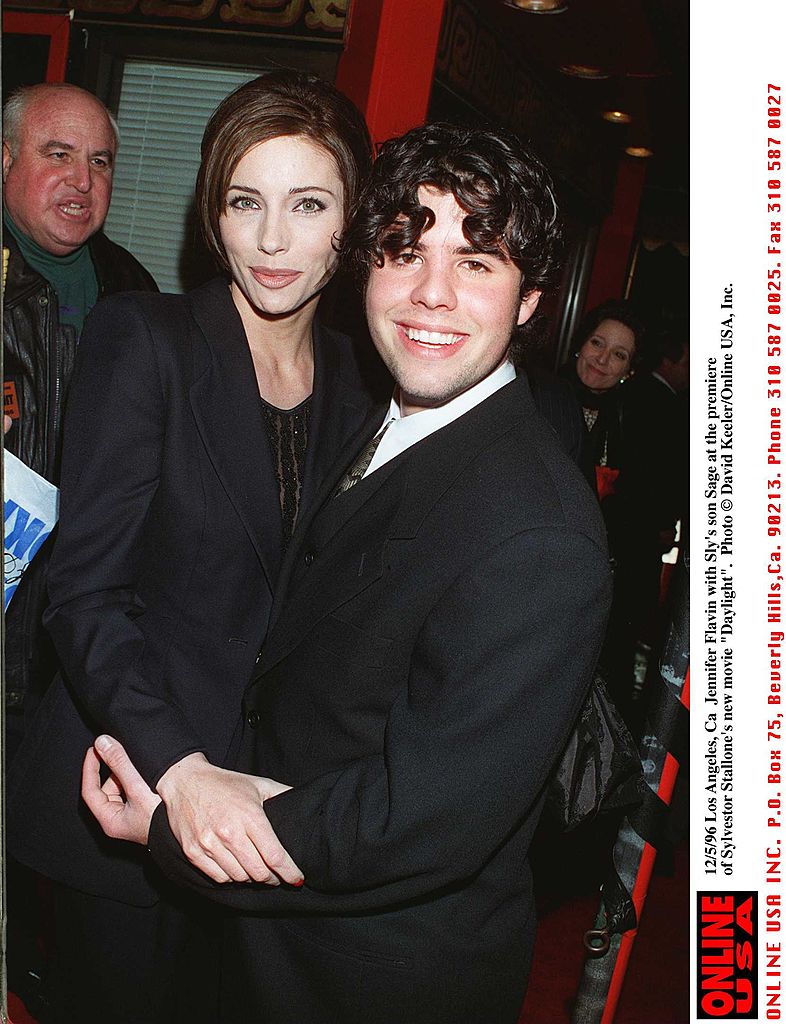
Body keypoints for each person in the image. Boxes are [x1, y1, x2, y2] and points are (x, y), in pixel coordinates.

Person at [82, 122, 612, 1024]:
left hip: (369, 975)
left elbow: (418, 824)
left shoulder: (540, 533)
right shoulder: (391, 415)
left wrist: (178, 830)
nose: (430, 294)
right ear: (364, 265)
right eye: (404, 252)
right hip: (273, 938)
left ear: (530, 301)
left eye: (477, 262)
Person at [7, 71, 374, 1024]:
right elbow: (83, 595)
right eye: (246, 202)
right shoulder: (148, 337)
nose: (272, 239)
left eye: (308, 204)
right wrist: (181, 770)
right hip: (130, 791)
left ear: (351, 220)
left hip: (274, 813)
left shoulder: (365, 380)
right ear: (213, 213)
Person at [2, 82, 158, 1016]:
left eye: (100, 161)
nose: (81, 180)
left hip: (83, 625)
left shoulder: (136, 293)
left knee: (60, 826)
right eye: (58, 153)